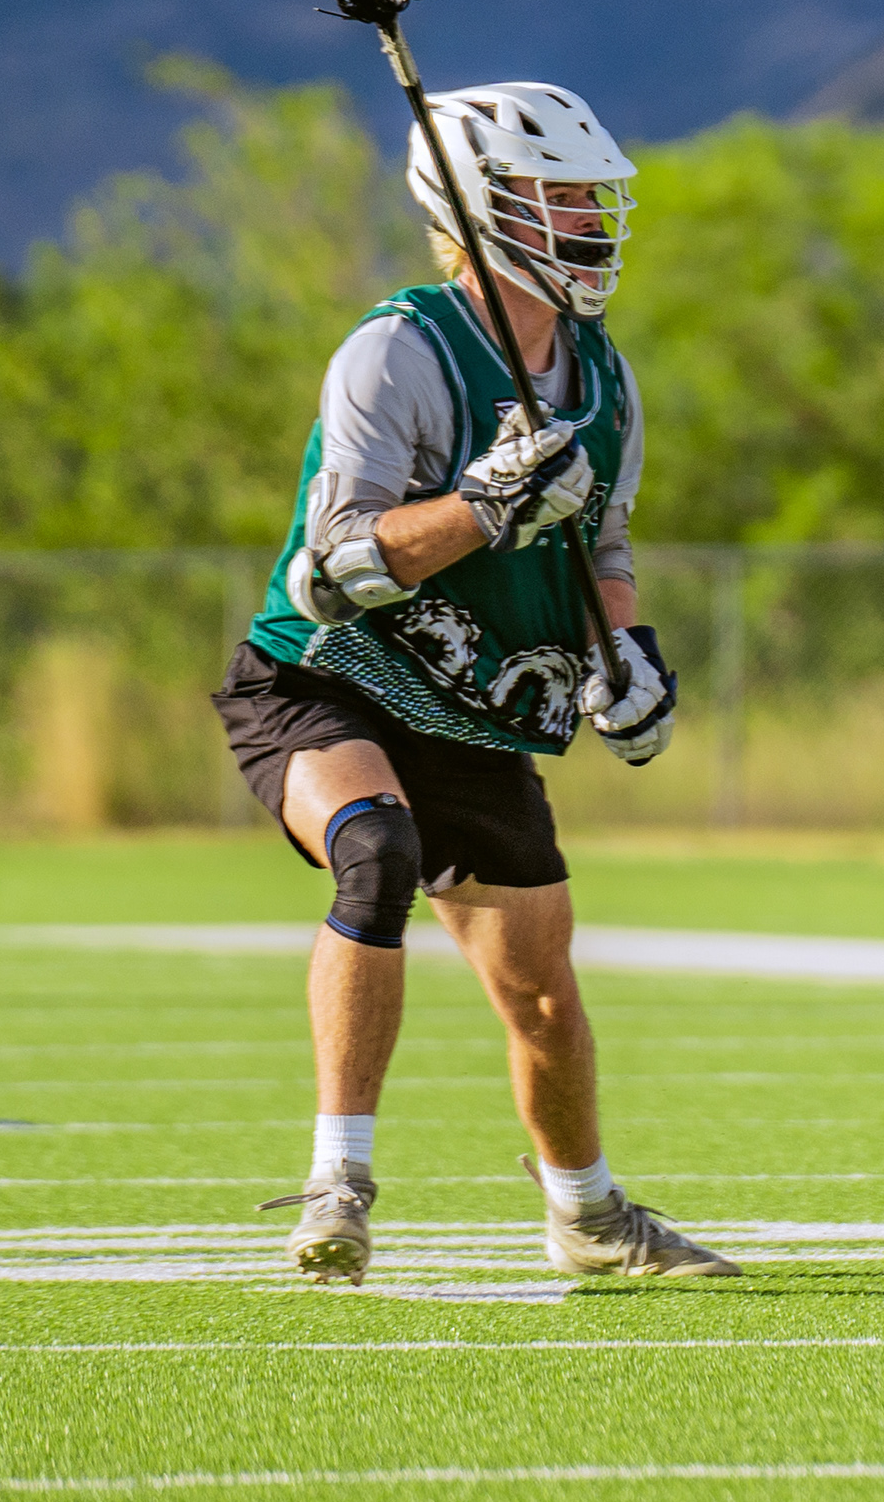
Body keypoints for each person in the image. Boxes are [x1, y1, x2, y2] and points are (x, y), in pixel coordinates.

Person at [216, 81, 733, 1286]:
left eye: (593, 197)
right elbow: (334, 570)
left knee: (540, 991)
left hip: (472, 707)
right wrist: (482, 504)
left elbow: (604, 551)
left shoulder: (604, 375)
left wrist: (626, 657)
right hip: (330, 675)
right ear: (480, 206)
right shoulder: (398, 349)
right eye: (561, 196)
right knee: (377, 850)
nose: (590, 220)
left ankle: (589, 1217)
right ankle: (338, 1184)